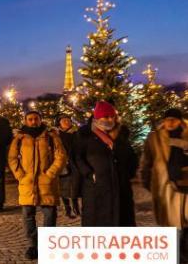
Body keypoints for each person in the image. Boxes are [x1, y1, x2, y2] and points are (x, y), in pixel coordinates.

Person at [8, 111, 67, 260]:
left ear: (40, 120)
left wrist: (51, 173)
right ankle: (32, 245)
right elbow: (12, 157)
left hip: (47, 182)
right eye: (30, 119)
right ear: (26, 121)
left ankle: (47, 245)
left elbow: (61, 155)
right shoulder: (19, 138)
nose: (33, 121)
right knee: (28, 216)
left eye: (36, 119)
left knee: (49, 215)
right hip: (27, 183)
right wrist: (20, 175)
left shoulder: (51, 136)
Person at [74, 100, 138, 226]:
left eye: (112, 116)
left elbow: (131, 157)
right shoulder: (85, 135)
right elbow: (77, 158)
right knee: (98, 226)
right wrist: (90, 174)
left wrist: (126, 174)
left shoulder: (121, 135)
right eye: (106, 116)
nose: (110, 119)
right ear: (97, 117)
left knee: (122, 224)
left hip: (121, 188)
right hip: (96, 189)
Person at [140, 108, 188, 261]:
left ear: (180, 120)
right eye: (168, 119)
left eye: (174, 119)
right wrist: (147, 181)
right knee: (172, 226)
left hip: (186, 187)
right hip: (165, 187)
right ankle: (175, 256)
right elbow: (146, 161)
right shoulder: (154, 138)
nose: (170, 122)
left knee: (185, 224)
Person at [56, 115, 80, 218]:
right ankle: (67, 209)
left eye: (68, 120)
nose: (66, 122)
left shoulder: (76, 133)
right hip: (62, 164)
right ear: (59, 123)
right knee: (64, 188)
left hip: (75, 163)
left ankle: (76, 208)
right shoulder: (56, 135)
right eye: (64, 120)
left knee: (74, 186)